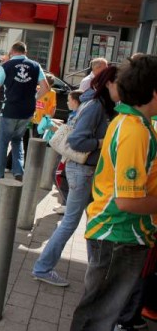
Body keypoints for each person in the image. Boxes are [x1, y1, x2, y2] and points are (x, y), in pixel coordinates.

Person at [71, 55, 157, 330]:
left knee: (100, 312)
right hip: (118, 233)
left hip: (120, 233)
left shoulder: (134, 123)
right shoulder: (135, 131)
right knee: (97, 316)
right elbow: (127, 200)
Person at [32, 66, 119, 288]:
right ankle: (42, 267)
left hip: (87, 171)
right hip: (82, 170)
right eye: (120, 83)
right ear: (109, 83)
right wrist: (102, 142)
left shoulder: (99, 104)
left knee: (93, 220)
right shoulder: (96, 106)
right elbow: (77, 141)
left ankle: (96, 271)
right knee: (71, 221)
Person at [0, 41, 50, 186]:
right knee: (17, 140)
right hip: (27, 111)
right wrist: (34, 98)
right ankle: (19, 172)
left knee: (3, 143)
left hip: (10, 109)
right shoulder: (35, 66)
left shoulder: (6, 66)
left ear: (12, 51)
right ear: (25, 52)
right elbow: (46, 87)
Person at [52, 89, 83, 215]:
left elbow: (71, 133)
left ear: (75, 101)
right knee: (58, 175)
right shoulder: (74, 114)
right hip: (66, 150)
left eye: (69, 100)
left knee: (58, 176)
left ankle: (66, 203)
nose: (67, 103)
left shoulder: (78, 116)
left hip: (68, 152)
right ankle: (66, 203)